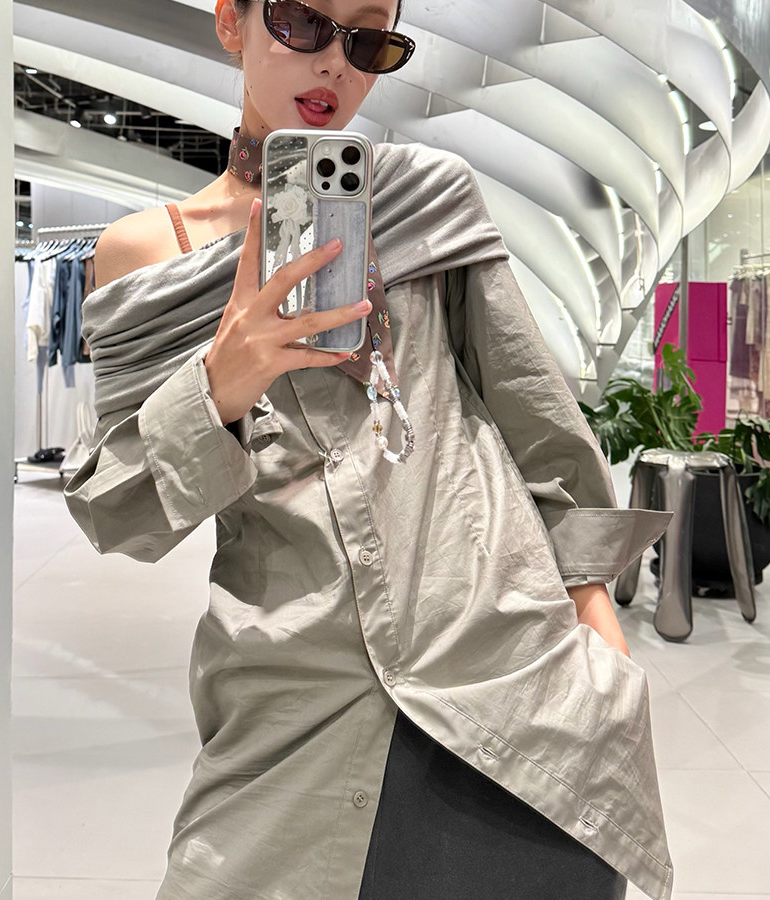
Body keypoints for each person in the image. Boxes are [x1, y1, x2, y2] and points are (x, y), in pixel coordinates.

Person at [65, 0, 674, 897]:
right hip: (294, 710)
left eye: (368, 41)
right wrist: (222, 382)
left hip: (514, 688)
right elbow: (120, 512)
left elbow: (535, 417)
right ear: (231, 22)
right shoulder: (146, 255)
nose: (335, 65)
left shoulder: (427, 197)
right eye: (302, 22)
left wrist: (599, 641)